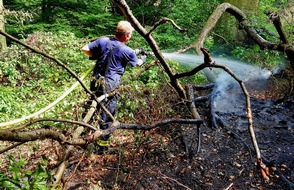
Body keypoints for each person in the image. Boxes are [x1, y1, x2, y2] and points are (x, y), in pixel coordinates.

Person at [81, 20, 146, 153]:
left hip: (96, 80)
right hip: (110, 84)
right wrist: (143, 58)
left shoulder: (103, 40)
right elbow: (137, 64)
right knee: (108, 113)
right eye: (130, 35)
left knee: (92, 106)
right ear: (127, 35)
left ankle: (83, 137)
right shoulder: (127, 51)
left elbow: (85, 49)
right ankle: (102, 146)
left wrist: (97, 55)